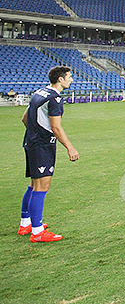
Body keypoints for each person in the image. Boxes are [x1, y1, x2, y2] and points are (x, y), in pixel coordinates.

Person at [19, 66, 79, 242]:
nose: (71, 80)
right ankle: (37, 232)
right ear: (60, 79)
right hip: (42, 146)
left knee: (34, 184)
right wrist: (70, 147)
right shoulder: (55, 99)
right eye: (69, 77)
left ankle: (26, 224)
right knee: (41, 186)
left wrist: (34, 135)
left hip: (30, 142)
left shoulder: (39, 93)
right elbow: (56, 127)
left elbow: (24, 118)